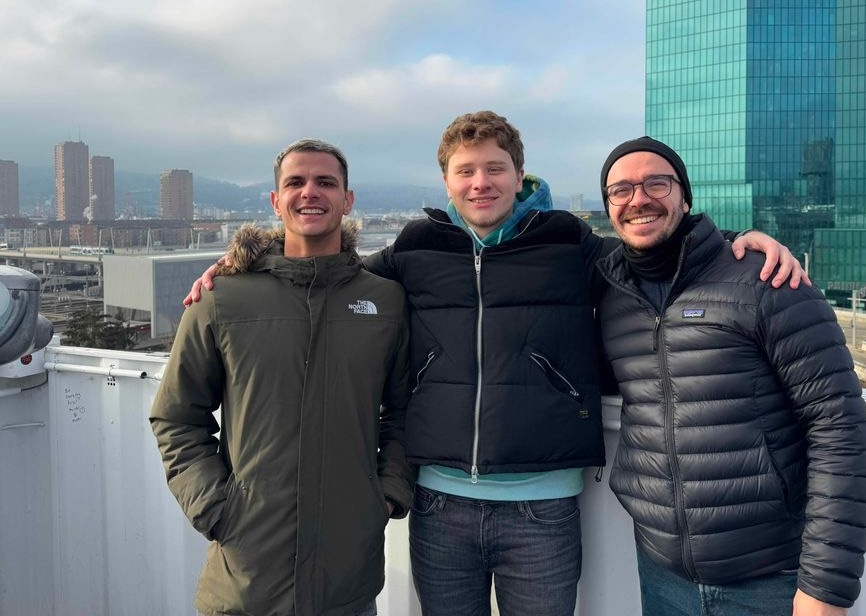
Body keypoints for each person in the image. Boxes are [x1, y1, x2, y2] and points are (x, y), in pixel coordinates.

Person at [183, 112, 807, 616]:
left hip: (544, 508)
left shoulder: (567, 240)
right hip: (440, 504)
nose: (480, 182)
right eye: (465, 171)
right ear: (446, 182)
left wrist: (733, 244)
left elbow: (651, 251)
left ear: (518, 176)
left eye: (494, 168)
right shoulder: (417, 246)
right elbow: (329, 280)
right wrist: (245, 263)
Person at [595, 136, 866, 616]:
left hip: (770, 578)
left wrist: (827, 586)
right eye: (621, 190)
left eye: (656, 184)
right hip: (662, 573)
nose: (638, 199)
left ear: (685, 197)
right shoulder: (613, 292)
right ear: (608, 207)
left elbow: (840, 428)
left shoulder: (767, 280)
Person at [150, 138, 414, 616]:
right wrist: (214, 507)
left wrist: (386, 494)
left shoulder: (386, 302)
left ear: (347, 200)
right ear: (276, 201)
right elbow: (176, 417)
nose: (310, 192)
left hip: (348, 583)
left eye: (325, 182)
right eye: (296, 182)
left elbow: (404, 411)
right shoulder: (222, 299)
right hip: (245, 582)